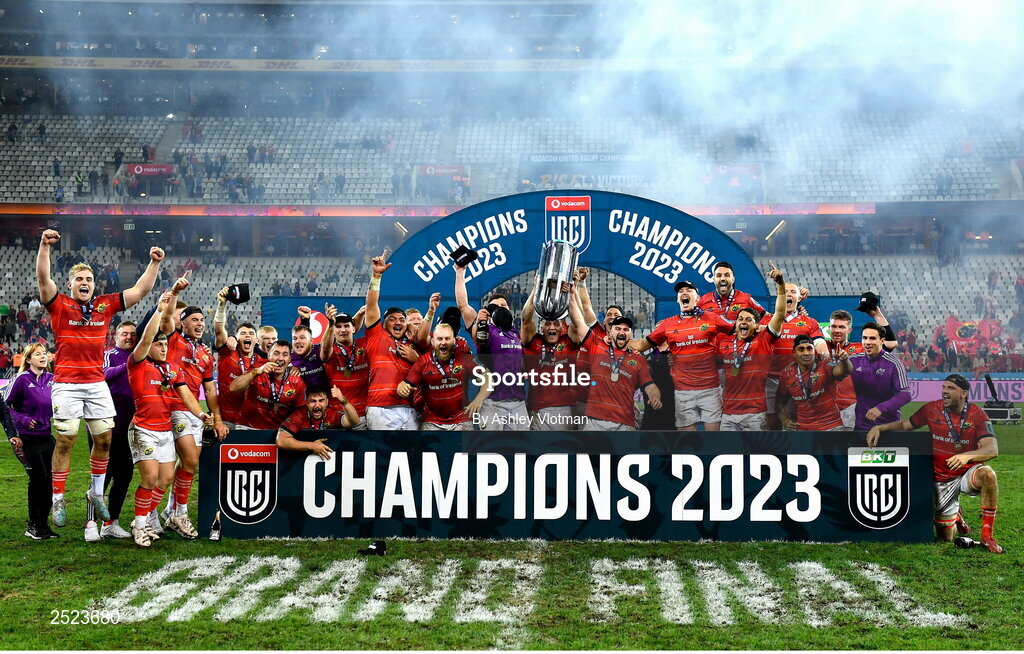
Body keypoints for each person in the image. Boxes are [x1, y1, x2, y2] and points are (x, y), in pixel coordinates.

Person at [37, 228, 164, 537]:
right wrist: (44, 247)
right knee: (67, 439)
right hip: (66, 382)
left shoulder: (106, 305)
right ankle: (57, 499)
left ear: (95, 285)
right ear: (70, 285)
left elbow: (140, 291)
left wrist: (154, 264)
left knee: (104, 440)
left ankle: (96, 493)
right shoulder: (59, 305)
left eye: (89, 280)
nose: (85, 284)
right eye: (79, 280)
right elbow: (43, 279)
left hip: (96, 384)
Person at [867, 374, 1003, 553]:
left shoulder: (977, 414)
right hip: (942, 479)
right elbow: (905, 425)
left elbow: (992, 449)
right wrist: (880, 427)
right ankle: (956, 517)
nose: (945, 391)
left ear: (963, 394)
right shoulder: (931, 409)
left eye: (951, 388)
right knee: (945, 538)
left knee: (988, 474)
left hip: (967, 473)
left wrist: (966, 456)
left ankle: (987, 537)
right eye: (944, 387)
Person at [126, 278, 212, 548]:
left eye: (165, 345)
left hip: (164, 429)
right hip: (144, 429)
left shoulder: (170, 370)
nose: (163, 348)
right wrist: (165, 303)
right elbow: (154, 332)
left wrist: (201, 415)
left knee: (165, 478)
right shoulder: (138, 362)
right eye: (158, 344)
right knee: (151, 478)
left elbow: (187, 394)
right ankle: (141, 524)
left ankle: (149, 516)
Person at [159, 284, 229, 538]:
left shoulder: (205, 353)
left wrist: (217, 419)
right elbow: (166, 317)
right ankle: (181, 513)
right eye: (194, 320)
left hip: (196, 413)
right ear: (183, 323)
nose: (200, 323)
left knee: (187, 464)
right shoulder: (173, 339)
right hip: (174, 408)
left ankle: (170, 511)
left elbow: (210, 390)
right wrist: (175, 293)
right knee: (189, 460)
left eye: (202, 320)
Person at [629, 280, 732, 431]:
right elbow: (641, 345)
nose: (684, 293)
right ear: (677, 299)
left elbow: (739, 330)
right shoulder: (667, 324)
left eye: (689, 290)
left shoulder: (712, 318)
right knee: (687, 442)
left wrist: (766, 328)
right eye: (681, 291)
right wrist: (612, 339)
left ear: (698, 298)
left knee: (714, 440)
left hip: (710, 390)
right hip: (683, 392)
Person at [567, 289, 661, 430]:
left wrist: (655, 397)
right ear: (610, 332)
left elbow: (650, 385)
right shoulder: (596, 346)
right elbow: (578, 319)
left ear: (631, 333)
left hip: (625, 425)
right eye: (618, 328)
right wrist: (571, 291)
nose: (622, 332)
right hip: (594, 422)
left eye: (626, 329)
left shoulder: (638, 359)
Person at [715, 261, 787, 431]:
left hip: (755, 414)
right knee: (727, 457)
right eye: (740, 319)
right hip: (728, 414)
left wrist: (781, 285)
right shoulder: (725, 343)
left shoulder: (764, 340)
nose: (743, 322)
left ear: (757, 325)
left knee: (758, 456)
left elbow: (779, 314)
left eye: (749, 319)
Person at [455, 266, 526, 430]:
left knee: (523, 451)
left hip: (518, 402)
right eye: (496, 306)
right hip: (493, 402)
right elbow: (463, 305)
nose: (502, 307)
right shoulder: (484, 330)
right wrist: (460, 273)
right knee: (491, 451)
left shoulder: (515, 332)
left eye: (504, 305)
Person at [3, 344, 57, 539]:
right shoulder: (21, 380)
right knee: (38, 480)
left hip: (47, 437)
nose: (43, 357)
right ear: (28, 359)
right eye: (38, 354)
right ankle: (33, 525)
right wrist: (23, 420)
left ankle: (43, 525)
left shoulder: (52, 379)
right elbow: (5, 406)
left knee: (51, 481)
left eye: (45, 353)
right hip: (27, 439)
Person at [362, 252, 421, 430]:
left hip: (410, 408)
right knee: (384, 456)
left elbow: (428, 369)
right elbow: (371, 304)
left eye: (402, 320)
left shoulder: (412, 342)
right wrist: (377, 276)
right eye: (392, 319)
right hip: (381, 408)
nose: (398, 322)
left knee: (412, 455)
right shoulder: (376, 335)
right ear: (384, 323)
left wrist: (416, 358)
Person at [398, 322, 490, 430]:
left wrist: (478, 400)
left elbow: (488, 376)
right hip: (432, 421)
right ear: (433, 341)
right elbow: (405, 384)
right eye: (439, 339)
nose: (443, 342)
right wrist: (402, 389)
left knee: (466, 446)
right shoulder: (423, 361)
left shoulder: (464, 358)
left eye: (447, 338)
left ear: (454, 340)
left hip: (461, 419)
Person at [521, 285, 583, 430]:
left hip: (564, 409)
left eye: (556, 324)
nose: (552, 328)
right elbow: (525, 318)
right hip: (535, 409)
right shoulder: (533, 341)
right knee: (537, 451)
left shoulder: (569, 342)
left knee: (563, 450)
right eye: (547, 324)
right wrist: (536, 287)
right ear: (541, 328)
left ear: (562, 328)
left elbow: (578, 322)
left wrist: (572, 294)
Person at [98, 321, 139, 539]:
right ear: (116, 336)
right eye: (125, 334)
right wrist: (128, 365)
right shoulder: (110, 354)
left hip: (131, 426)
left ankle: (110, 522)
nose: (129, 337)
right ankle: (90, 523)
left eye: (133, 334)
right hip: (108, 425)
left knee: (124, 476)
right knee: (102, 475)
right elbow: (103, 374)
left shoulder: (140, 355)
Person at [775, 335, 851, 431]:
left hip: (832, 427)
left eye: (809, 348)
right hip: (803, 430)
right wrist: (785, 421)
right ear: (794, 353)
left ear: (814, 351)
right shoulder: (787, 374)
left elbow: (843, 371)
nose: (806, 353)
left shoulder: (825, 364)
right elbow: (780, 403)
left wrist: (844, 361)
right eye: (801, 349)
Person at [230, 340, 307, 430]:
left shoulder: (296, 381)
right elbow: (233, 388)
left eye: (285, 355)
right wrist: (255, 373)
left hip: (277, 432)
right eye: (276, 353)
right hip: (247, 427)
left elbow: (300, 411)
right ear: (269, 355)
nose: (280, 358)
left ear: (289, 359)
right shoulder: (257, 368)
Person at [849, 321, 911, 431]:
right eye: (865, 338)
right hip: (859, 427)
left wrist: (880, 408)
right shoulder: (853, 360)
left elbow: (905, 394)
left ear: (882, 341)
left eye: (872, 338)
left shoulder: (893, 363)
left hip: (887, 427)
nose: (867, 342)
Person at [275, 386, 361, 458]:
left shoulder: (332, 414)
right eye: (313, 401)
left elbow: (354, 421)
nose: (317, 405)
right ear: (306, 403)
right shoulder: (299, 415)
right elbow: (281, 441)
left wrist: (344, 401)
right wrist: (312, 446)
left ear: (327, 402)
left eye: (321, 400)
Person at [320, 305, 369, 430]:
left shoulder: (364, 344)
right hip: (339, 415)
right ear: (333, 331)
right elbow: (325, 347)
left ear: (354, 329)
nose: (342, 330)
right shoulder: (331, 350)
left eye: (346, 326)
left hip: (365, 414)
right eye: (338, 326)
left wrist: (360, 314)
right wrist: (331, 324)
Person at [826, 310, 864, 430]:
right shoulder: (820, 346)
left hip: (850, 408)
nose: (837, 330)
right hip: (824, 409)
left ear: (849, 330)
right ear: (829, 328)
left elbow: (890, 344)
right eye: (834, 326)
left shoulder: (860, 348)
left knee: (849, 446)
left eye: (842, 327)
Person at [697, 261, 767, 323]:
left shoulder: (746, 299)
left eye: (727, 275)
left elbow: (766, 317)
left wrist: (760, 327)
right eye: (718, 275)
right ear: (714, 279)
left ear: (733, 279)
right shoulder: (702, 301)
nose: (723, 278)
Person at [291, 306, 328, 389]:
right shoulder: (287, 357)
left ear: (311, 341)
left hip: (324, 399)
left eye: (302, 338)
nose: (297, 341)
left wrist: (305, 320)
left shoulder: (320, 350)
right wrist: (287, 368)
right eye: (294, 339)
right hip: (301, 400)